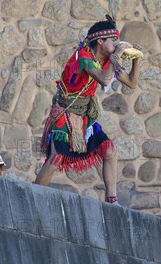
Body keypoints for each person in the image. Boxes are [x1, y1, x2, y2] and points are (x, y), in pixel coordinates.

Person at [34, 15, 142, 204]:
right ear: (100, 41)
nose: (117, 44)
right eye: (113, 40)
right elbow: (104, 79)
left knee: (109, 150)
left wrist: (136, 59)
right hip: (64, 113)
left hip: (83, 116)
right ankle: (31, 196)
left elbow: (132, 83)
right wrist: (117, 55)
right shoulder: (83, 58)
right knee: (56, 158)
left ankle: (112, 200)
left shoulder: (109, 60)